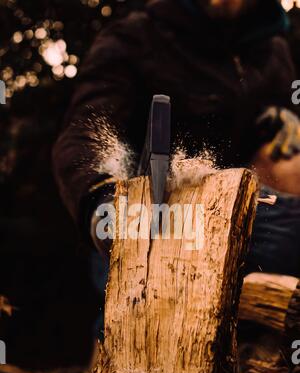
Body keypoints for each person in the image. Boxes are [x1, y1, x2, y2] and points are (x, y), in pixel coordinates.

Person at [52, 0, 300, 276]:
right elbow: (86, 132)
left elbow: (273, 144)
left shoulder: (272, 50)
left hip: (251, 215)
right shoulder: (136, 38)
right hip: (150, 221)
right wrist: (102, 202)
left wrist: (285, 125)